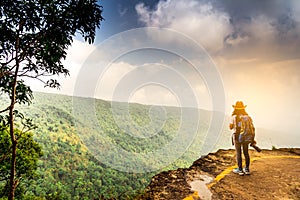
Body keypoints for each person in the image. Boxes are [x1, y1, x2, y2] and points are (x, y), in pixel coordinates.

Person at [229, 101, 253, 176]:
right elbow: (252, 127)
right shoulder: (248, 117)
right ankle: (247, 169)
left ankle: (240, 170)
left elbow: (230, 127)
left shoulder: (234, 117)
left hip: (237, 137)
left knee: (238, 153)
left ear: (235, 108)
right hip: (246, 136)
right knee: (246, 152)